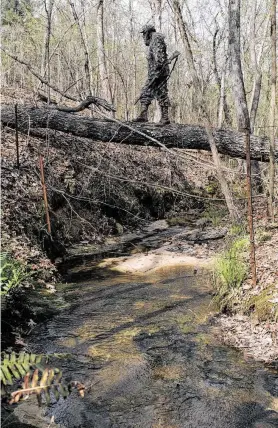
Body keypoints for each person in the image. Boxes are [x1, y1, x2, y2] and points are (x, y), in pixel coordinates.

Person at [134, 24, 170, 125]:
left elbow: (159, 55)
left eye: (144, 34)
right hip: (156, 73)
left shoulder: (156, 38)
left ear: (148, 33)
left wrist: (158, 68)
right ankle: (146, 115)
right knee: (152, 92)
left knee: (154, 92)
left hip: (158, 72)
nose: (143, 36)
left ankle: (163, 117)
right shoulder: (154, 39)